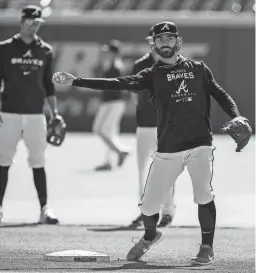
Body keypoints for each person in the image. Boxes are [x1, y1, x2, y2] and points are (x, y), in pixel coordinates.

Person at [52, 21, 250, 265]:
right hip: (168, 148)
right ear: (154, 44)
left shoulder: (199, 68)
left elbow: (220, 94)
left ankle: (206, 246)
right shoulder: (152, 74)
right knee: (148, 206)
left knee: (204, 194)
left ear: (178, 41)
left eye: (169, 38)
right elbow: (119, 83)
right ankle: (150, 235)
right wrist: (76, 81)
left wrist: (236, 115)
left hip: (200, 144)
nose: (164, 43)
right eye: (159, 39)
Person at [0, 5, 61, 224]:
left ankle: (45, 209)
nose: (35, 25)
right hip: (8, 113)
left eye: (38, 23)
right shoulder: (5, 48)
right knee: (3, 161)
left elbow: (49, 85)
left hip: (36, 114)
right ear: (22, 21)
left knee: (38, 161)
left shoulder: (45, 50)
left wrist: (54, 113)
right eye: (31, 21)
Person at [129, 27, 176, 228]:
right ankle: (146, 211)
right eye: (155, 38)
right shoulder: (140, 64)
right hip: (145, 124)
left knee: (167, 168)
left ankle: (167, 211)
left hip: (167, 125)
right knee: (143, 169)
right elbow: (133, 94)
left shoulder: (173, 63)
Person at [91, 40, 130, 171]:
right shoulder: (110, 64)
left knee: (100, 130)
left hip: (114, 102)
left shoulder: (117, 66)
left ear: (113, 53)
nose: (105, 53)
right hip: (110, 102)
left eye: (108, 51)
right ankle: (108, 161)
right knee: (109, 133)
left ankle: (120, 152)